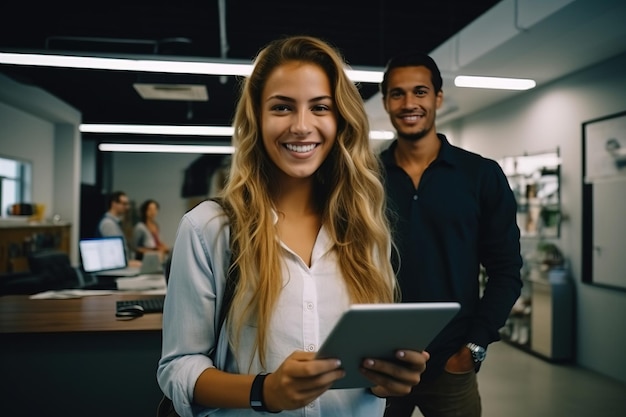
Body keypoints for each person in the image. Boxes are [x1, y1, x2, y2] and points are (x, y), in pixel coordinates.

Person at [157, 35, 429, 417]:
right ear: (257, 118)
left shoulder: (364, 229)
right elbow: (178, 369)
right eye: (282, 107)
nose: (302, 126)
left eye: (320, 107)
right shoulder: (210, 229)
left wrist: (388, 378)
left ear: (340, 121)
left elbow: (369, 365)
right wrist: (264, 391)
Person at [378, 52, 523, 417]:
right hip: (377, 361)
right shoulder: (366, 179)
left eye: (420, 92)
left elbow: (505, 270)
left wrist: (473, 347)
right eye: (397, 94)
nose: (409, 103)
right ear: (385, 102)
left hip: (449, 363)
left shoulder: (480, 176)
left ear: (438, 98)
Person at [97, 190, 133, 259]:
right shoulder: (108, 223)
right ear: (114, 204)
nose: (127, 207)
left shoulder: (116, 222)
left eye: (127, 204)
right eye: (124, 204)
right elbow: (115, 251)